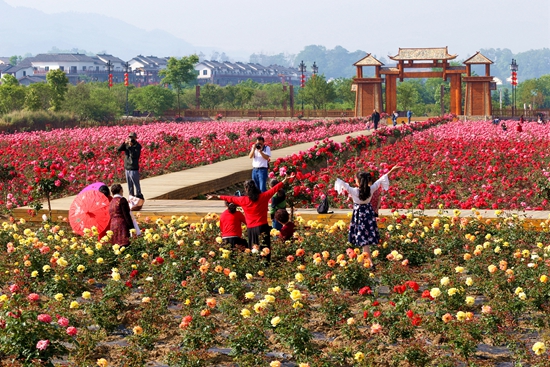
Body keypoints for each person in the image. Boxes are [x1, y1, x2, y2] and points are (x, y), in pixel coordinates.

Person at [207, 175, 292, 261]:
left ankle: (255, 266)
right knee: (264, 248)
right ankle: (266, 265)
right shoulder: (263, 196)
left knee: (254, 249)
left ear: (246, 189)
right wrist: (284, 180)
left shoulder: (243, 200)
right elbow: (274, 189)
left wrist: (216, 196)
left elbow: (230, 198)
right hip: (262, 227)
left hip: (251, 229)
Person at [334, 166, 401, 267]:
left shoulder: (354, 191)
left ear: (358, 181)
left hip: (359, 215)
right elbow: (380, 180)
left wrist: (332, 174)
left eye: (356, 179)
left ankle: (369, 262)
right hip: (368, 214)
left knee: (363, 240)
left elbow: (342, 182)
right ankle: (365, 261)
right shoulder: (371, 189)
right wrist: (392, 170)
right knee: (365, 239)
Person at [118, 132, 143, 200]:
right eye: (130, 137)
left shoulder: (138, 146)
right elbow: (119, 149)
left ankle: (139, 197)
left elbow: (134, 155)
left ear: (135, 138)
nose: (131, 139)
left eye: (132, 137)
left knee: (136, 184)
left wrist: (130, 146)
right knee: (130, 185)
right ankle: (131, 197)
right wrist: (124, 143)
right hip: (127, 167)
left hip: (133, 168)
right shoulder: (127, 144)